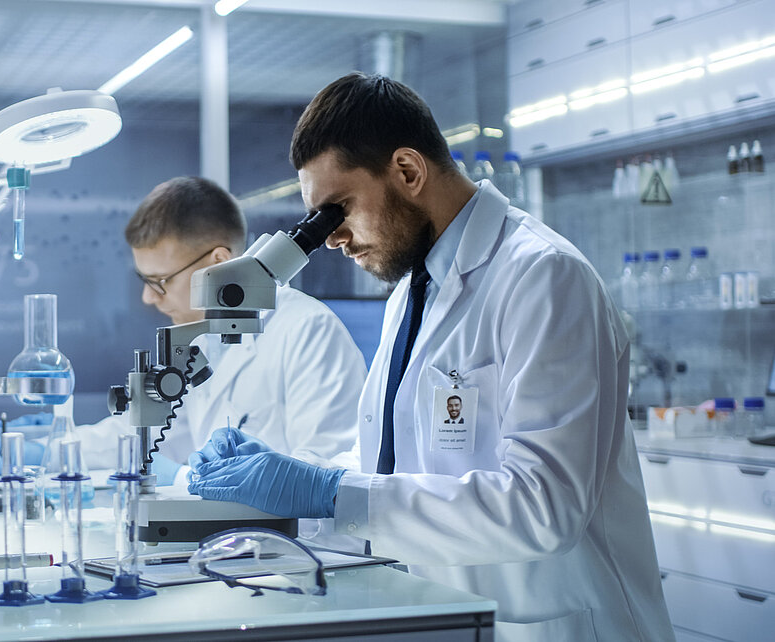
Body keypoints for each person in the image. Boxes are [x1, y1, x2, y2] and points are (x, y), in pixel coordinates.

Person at [188, 73, 672, 641]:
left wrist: (327, 491)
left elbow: (545, 506)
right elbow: (402, 465)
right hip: (449, 614)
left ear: (409, 171)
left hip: (554, 626)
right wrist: (298, 473)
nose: (333, 239)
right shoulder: (411, 293)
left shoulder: (542, 276)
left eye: (337, 209)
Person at [0, 176, 367, 484]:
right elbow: (146, 434)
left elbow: (329, 480)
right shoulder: (202, 338)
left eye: (160, 280)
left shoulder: (307, 331)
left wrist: (184, 478)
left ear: (218, 262)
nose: (147, 298)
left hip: (293, 560)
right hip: (220, 551)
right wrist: (50, 445)